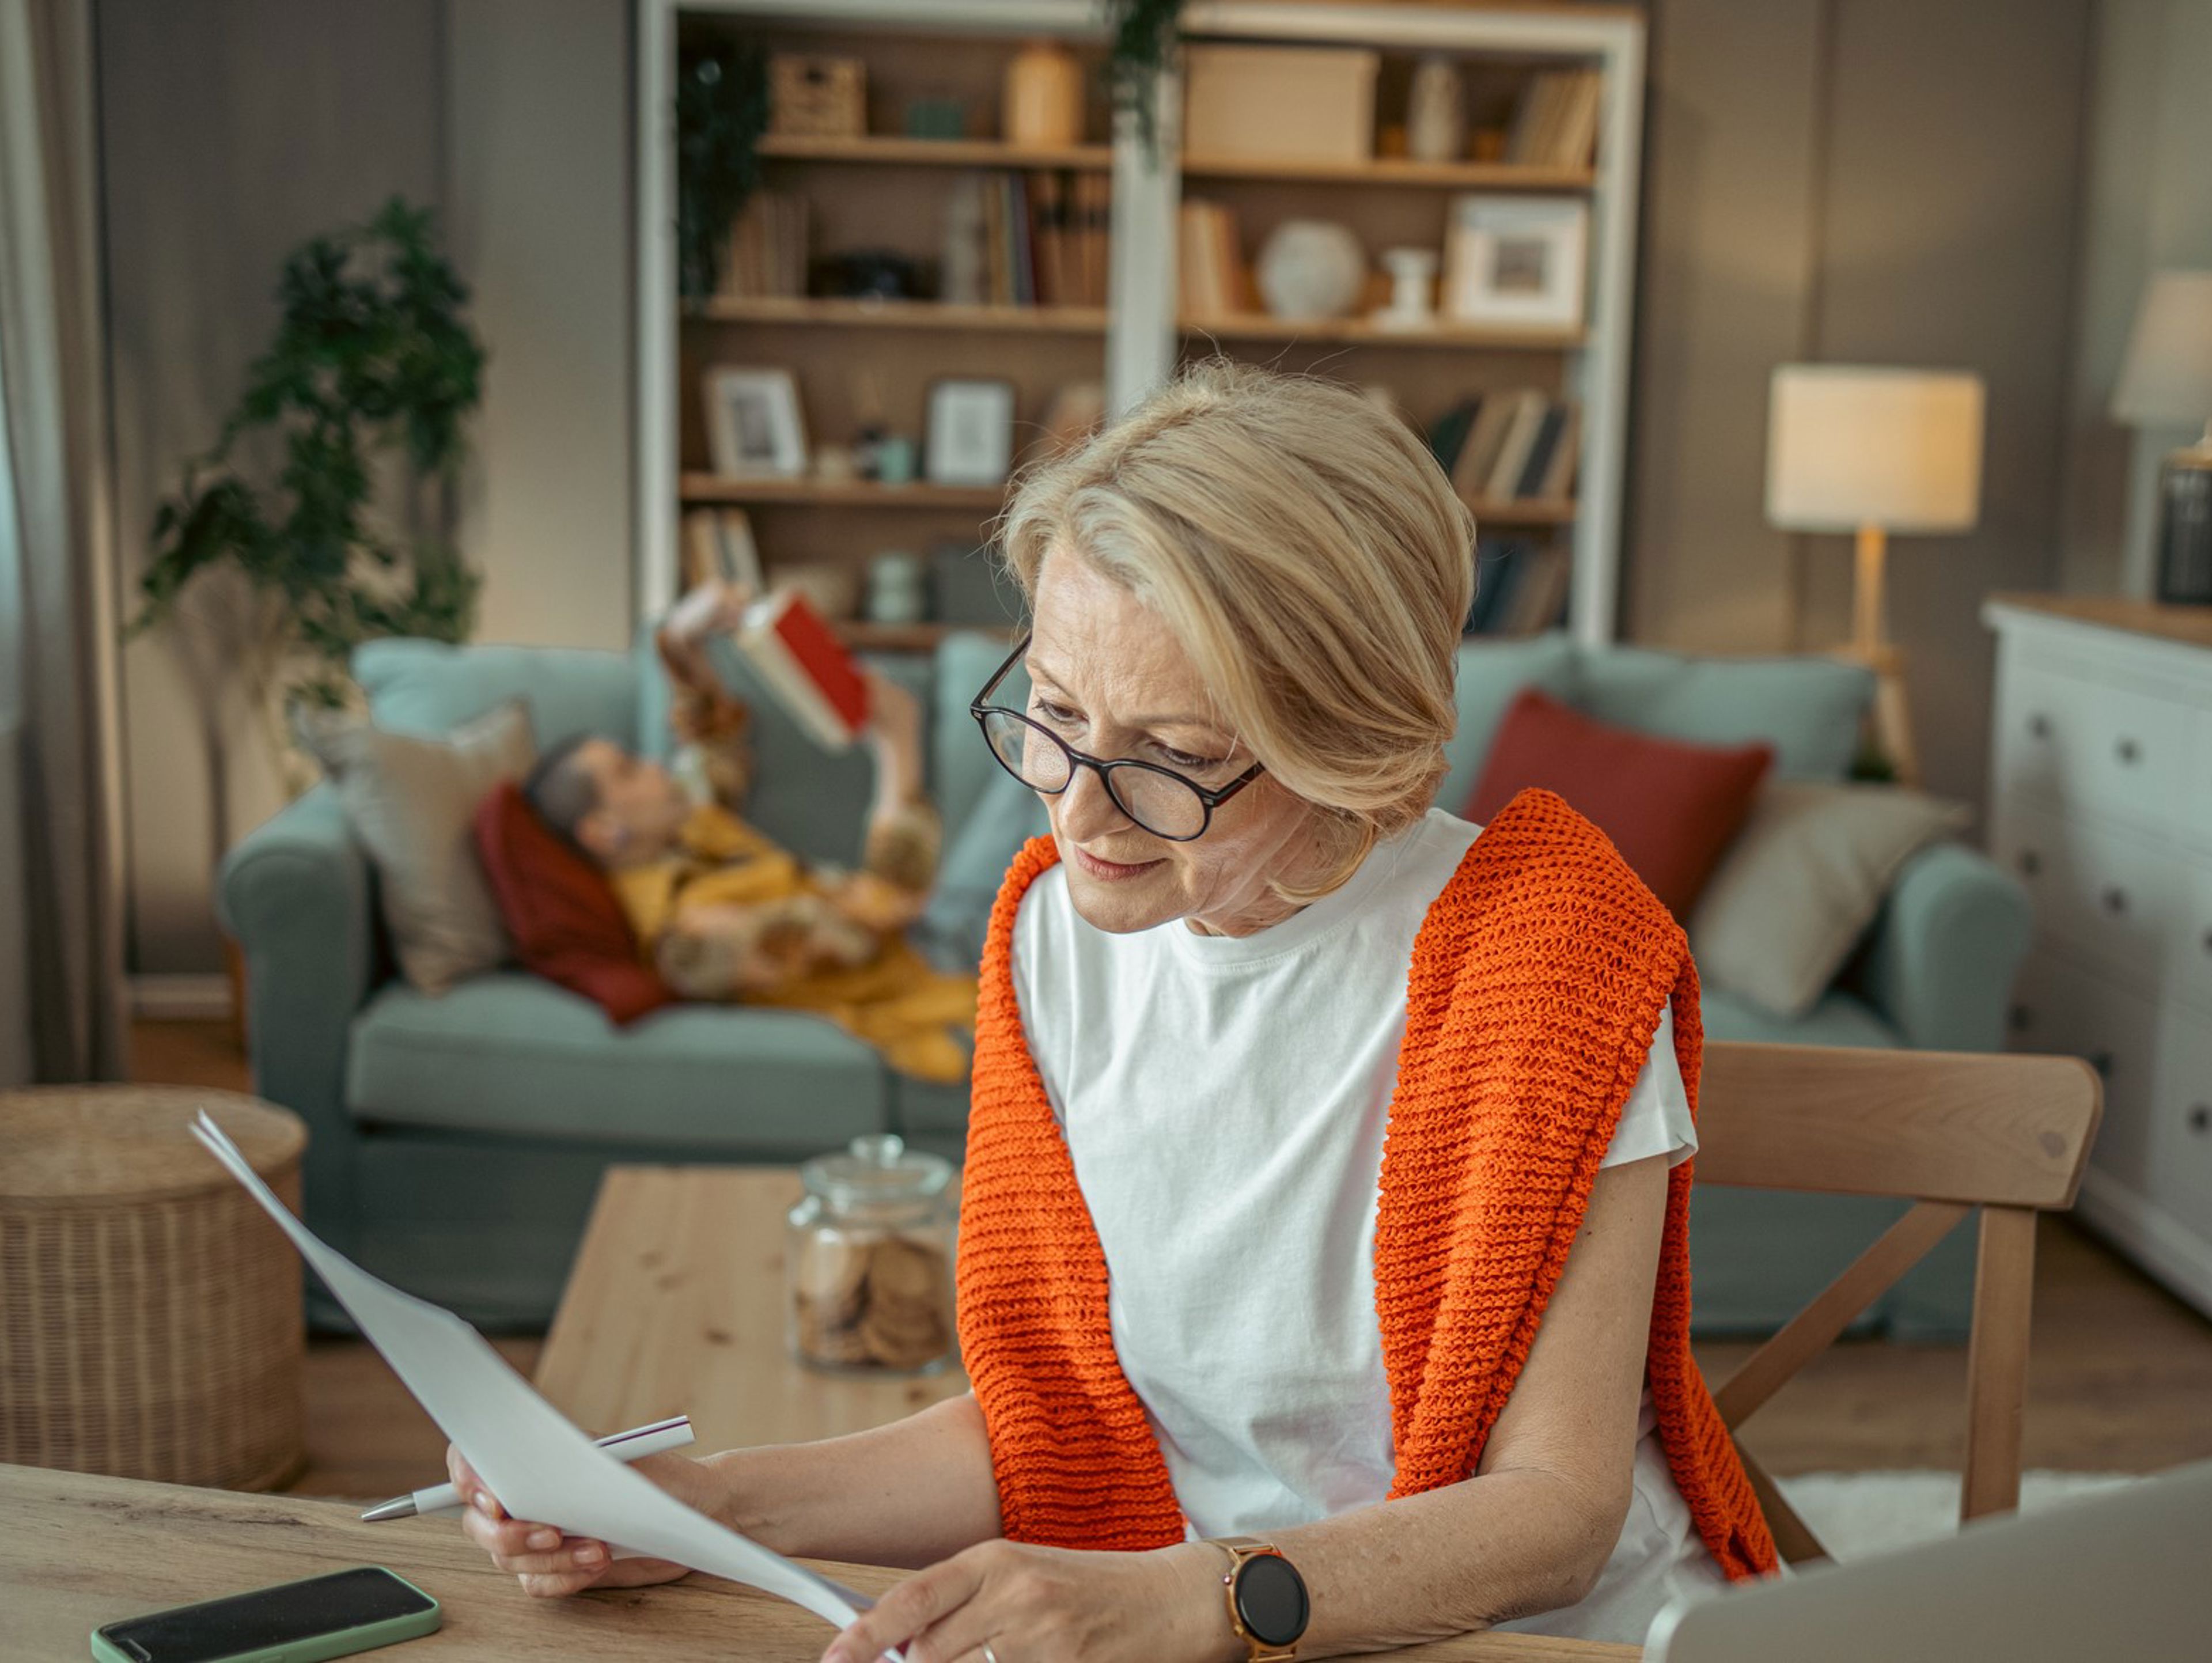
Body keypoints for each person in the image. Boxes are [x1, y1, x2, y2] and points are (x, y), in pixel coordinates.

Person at [452, 363, 1777, 1658]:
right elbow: (1060, 1424)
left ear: (1351, 743)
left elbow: (1553, 1512)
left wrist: (1193, 1597)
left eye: (1173, 761)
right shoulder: (1048, 936)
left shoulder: (1547, 953)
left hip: (1541, 1638)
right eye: (1053, 714)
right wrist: (702, 1508)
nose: (1077, 815)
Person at [520, 577, 975, 1082]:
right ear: (603, 832)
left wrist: (679, 640)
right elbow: (883, 910)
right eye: (630, 769)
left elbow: (718, 753)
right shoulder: (692, 932)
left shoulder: (689, 835)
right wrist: (898, 742)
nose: (654, 765)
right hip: (925, 959)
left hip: (936, 939)